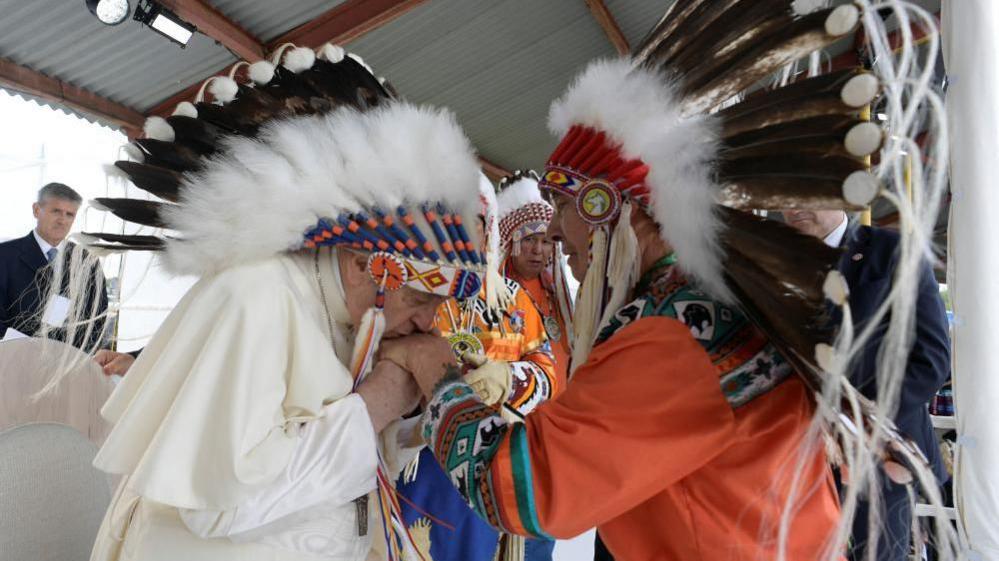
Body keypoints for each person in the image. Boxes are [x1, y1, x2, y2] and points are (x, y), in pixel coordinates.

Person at [375, 3, 945, 559]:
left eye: (563, 206)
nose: (556, 235)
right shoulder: (708, 302)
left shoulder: (675, 331)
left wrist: (435, 366)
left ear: (616, 210)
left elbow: (525, 489)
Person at [77, 43, 500, 561]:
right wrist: (384, 395)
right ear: (365, 263)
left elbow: (340, 446)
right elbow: (219, 506)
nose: (428, 322)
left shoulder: (354, 312)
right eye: (418, 298)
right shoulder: (256, 297)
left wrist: (413, 404)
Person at [396, 184, 558, 561]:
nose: (462, 237)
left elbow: (547, 373)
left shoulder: (515, 300)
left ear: (489, 231)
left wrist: (508, 379)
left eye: (475, 225)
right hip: (417, 458)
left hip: (486, 463)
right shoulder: (412, 289)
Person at [783, 209, 951, 561]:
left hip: (880, 456)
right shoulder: (776, 260)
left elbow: (930, 360)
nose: (792, 204)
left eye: (804, 191)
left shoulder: (893, 252)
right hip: (797, 456)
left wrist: (852, 423)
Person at [0, 182, 107, 348]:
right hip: (14, 360)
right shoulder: (5, 256)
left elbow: (97, 319)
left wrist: (74, 357)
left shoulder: (87, 262)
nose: (62, 220)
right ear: (36, 210)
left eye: (70, 214)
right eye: (56, 211)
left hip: (68, 364)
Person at [496, 171, 572, 383]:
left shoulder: (556, 294)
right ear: (512, 243)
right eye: (529, 239)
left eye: (546, 241)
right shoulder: (496, 295)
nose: (538, 250)